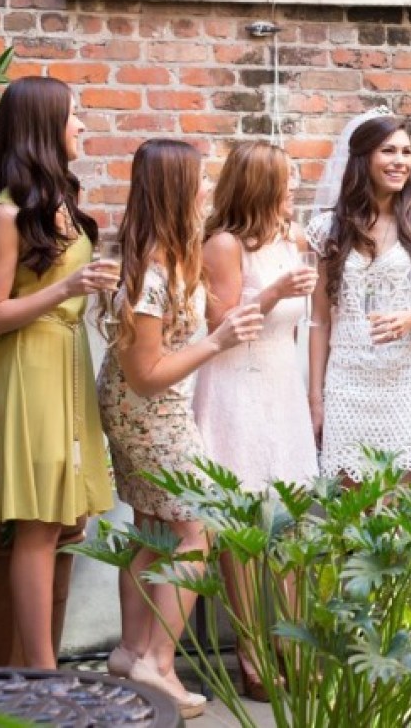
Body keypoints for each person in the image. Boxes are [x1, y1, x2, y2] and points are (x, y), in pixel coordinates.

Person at [97, 139, 261, 719]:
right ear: (174, 188)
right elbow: (145, 376)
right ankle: (157, 661)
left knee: (155, 530)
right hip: (150, 413)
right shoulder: (151, 273)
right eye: (197, 179)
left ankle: (130, 652)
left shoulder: (164, 255)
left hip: (150, 409)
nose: (205, 188)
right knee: (200, 526)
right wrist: (217, 342)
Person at [0, 76, 117, 668]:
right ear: (42, 128)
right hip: (30, 368)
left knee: (70, 523)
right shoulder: (8, 213)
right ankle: (44, 678)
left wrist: (96, 291)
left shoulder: (59, 205)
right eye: (74, 115)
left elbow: (63, 291)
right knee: (39, 525)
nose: (82, 125)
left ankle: (28, 666)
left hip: (69, 360)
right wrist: (68, 288)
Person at [193, 140, 320, 700]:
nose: (293, 187)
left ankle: (291, 642)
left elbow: (294, 328)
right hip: (233, 387)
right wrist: (270, 293)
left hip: (279, 386)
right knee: (242, 524)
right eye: (285, 179)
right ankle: (248, 649)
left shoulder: (292, 238)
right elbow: (219, 326)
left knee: (287, 521)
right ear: (259, 185)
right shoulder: (222, 245)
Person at [306, 111, 411, 484]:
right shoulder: (328, 229)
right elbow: (319, 320)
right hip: (349, 381)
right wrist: (316, 396)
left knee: (402, 513)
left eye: (406, 153)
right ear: (364, 159)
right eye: (388, 151)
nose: (400, 162)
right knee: (357, 514)